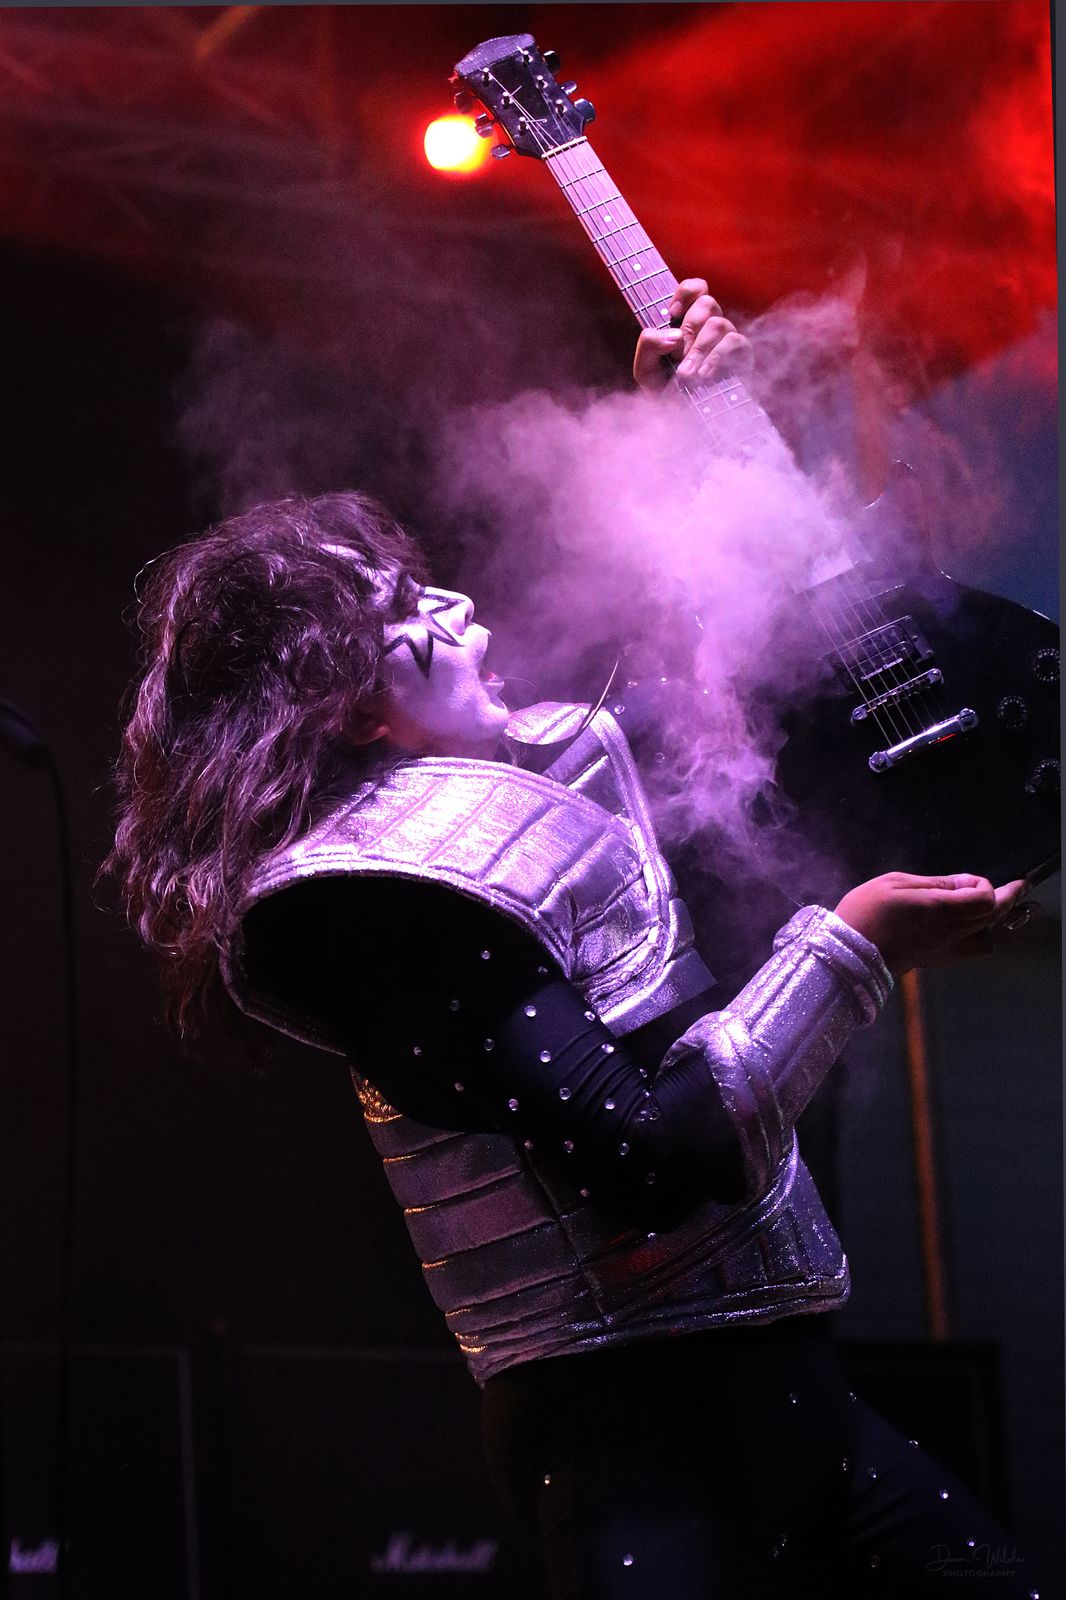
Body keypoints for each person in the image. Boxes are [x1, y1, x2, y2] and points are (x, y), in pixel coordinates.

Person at [106, 282, 1040, 1599]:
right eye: (410, 617)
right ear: (348, 705)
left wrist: (690, 438)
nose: (463, 615)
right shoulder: (374, 897)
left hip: (789, 1394)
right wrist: (855, 944)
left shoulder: (511, 798)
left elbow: (695, 688)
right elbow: (654, 1157)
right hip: (632, 1439)